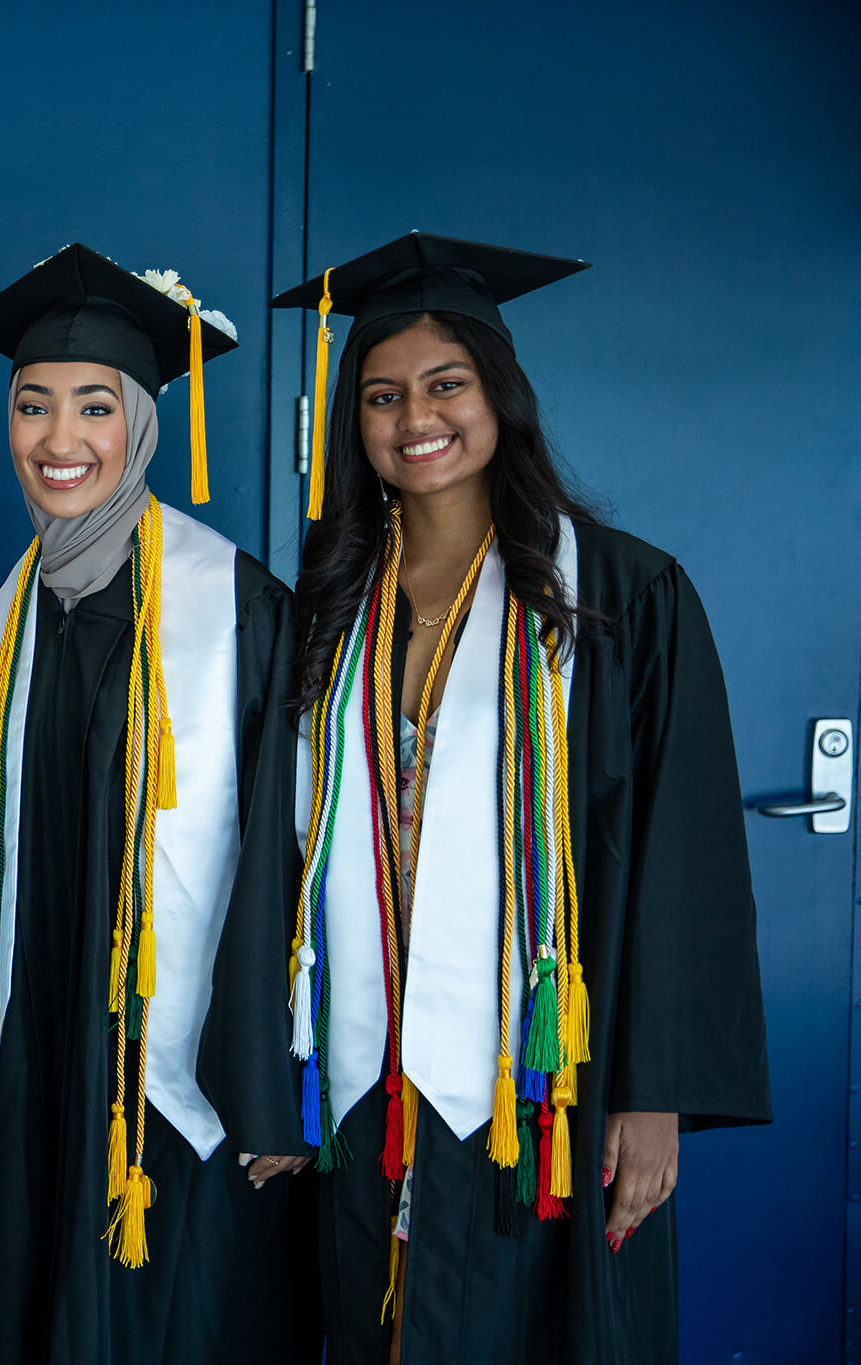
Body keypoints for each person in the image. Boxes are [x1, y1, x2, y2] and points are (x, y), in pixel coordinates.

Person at [265, 232, 772, 1364]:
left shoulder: (616, 596)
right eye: (381, 395)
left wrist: (654, 1099)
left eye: (445, 386)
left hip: (539, 1090)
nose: (413, 419)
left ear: (499, 395)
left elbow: (678, 857)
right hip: (364, 1071)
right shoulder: (328, 603)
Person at [0, 245, 321, 1362]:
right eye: (31, 408)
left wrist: (266, 1085)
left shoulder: (236, 605)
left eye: (92, 407)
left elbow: (280, 853)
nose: (58, 441)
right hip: (47, 1043)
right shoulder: (9, 610)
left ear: (145, 425)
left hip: (184, 1070)